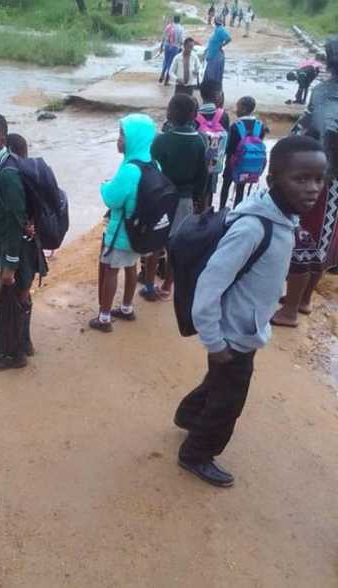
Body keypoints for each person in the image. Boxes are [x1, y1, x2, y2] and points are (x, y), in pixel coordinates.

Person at [174, 136, 326, 487]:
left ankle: (187, 415)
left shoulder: (281, 217)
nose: (312, 188)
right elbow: (208, 288)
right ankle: (196, 453)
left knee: (218, 382)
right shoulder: (253, 227)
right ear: (273, 181)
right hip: (232, 335)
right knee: (229, 401)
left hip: (243, 329)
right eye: (300, 179)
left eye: (319, 179)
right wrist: (215, 342)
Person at [0, 112, 46, 371]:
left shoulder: (5, 175)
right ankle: (23, 344)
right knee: (19, 297)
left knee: (8, 300)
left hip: (14, 249)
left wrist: (10, 266)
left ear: (1, 140)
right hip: (16, 246)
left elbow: (14, 223)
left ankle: (11, 355)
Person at [274, 38, 338, 326]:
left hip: (322, 178)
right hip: (324, 178)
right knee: (318, 238)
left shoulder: (324, 92)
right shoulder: (322, 91)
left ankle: (293, 306)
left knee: (305, 237)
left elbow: (315, 130)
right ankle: (301, 299)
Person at [90, 114, 157, 333]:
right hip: (140, 233)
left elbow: (112, 198)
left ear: (135, 138)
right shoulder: (154, 163)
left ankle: (104, 317)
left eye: (122, 135)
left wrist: (103, 185)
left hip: (120, 233)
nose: (118, 139)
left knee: (111, 269)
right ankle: (127, 308)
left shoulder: (129, 169)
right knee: (131, 266)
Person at [144, 95, 208, 302]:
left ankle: (149, 286)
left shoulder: (161, 140)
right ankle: (167, 286)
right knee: (176, 244)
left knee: (155, 244)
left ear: (171, 113)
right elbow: (203, 175)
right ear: (193, 115)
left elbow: (151, 171)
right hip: (185, 199)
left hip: (161, 198)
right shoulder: (199, 141)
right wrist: (199, 200)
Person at [220, 96, 268, 210]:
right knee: (240, 189)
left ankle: (221, 210)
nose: (236, 109)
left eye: (238, 106)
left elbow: (229, 148)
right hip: (248, 165)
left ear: (244, 109)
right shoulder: (260, 126)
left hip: (232, 163)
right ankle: (237, 211)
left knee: (226, 186)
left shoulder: (236, 126)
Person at [196, 81, 232, 211]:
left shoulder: (195, 114)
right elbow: (227, 141)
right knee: (209, 191)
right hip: (215, 161)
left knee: (197, 191)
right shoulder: (223, 115)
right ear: (218, 95)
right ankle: (206, 213)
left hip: (198, 163)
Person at [203, 18, 232, 88]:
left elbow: (229, 38)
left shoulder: (220, 30)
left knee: (213, 74)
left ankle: (213, 88)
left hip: (216, 55)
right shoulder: (217, 30)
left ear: (215, 22)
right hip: (212, 54)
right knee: (210, 73)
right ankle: (209, 87)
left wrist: (221, 45)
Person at [159, 16, 185, 86]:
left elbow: (163, 37)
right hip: (175, 47)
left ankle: (162, 74)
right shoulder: (181, 28)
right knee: (171, 63)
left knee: (166, 60)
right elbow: (181, 40)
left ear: (173, 20)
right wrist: (182, 47)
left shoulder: (169, 26)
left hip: (167, 46)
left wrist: (161, 47)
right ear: (179, 20)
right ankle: (166, 80)